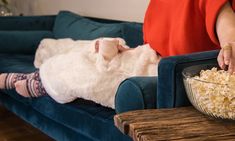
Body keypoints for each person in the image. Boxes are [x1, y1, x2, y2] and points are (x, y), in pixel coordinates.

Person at [0, 0, 235, 99]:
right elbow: (154, 41)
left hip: (173, 71)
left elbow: (227, 29)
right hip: (150, 56)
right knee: (89, 51)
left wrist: (230, 44)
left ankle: (39, 82)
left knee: (93, 67)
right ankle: (40, 77)